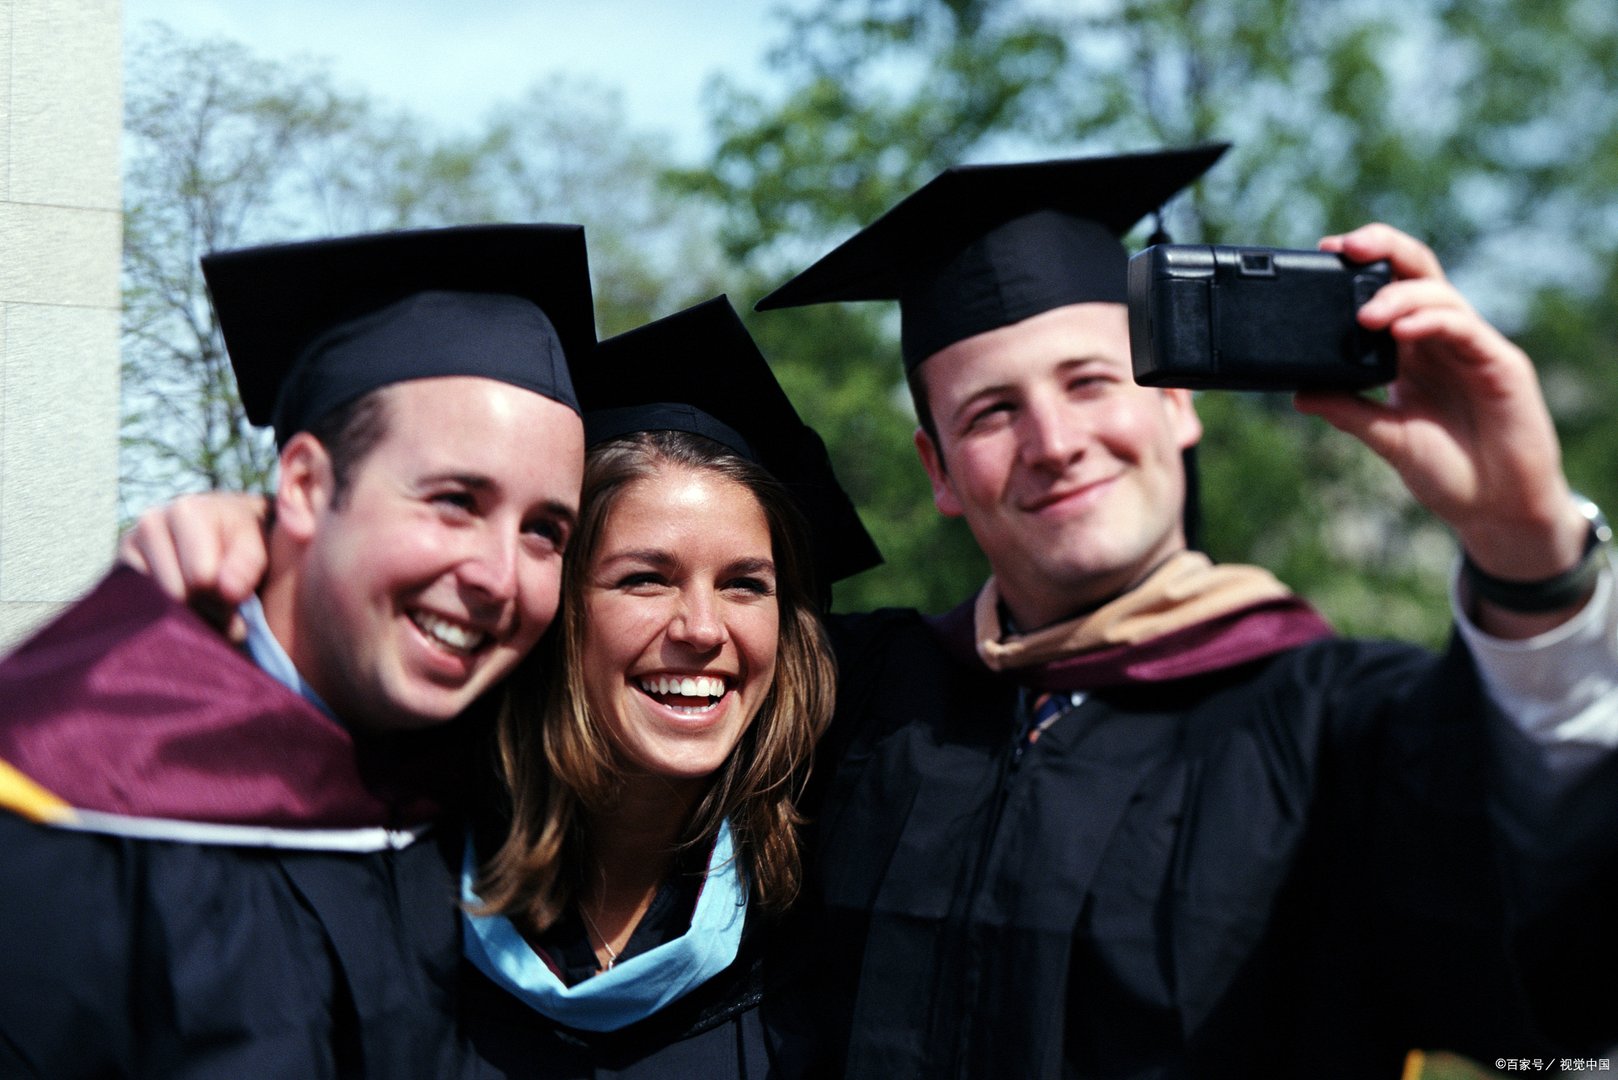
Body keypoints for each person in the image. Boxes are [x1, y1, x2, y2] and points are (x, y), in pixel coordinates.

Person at [755, 144, 1618, 1076]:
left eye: (1092, 383)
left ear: (1177, 402)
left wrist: (1529, 562)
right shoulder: (856, 705)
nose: (1055, 442)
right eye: (991, 412)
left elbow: (1562, 982)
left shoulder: (1336, 722)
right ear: (940, 473)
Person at [0, 224, 595, 1078]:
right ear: (307, 487)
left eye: (545, 530)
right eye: (456, 501)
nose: (501, 576)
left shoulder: (479, 797)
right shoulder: (61, 820)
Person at [454, 296, 877, 1077]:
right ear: (554, 605)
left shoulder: (836, 902)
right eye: (646, 579)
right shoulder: (415, 878)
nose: (703, 628)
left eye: (746, 584)